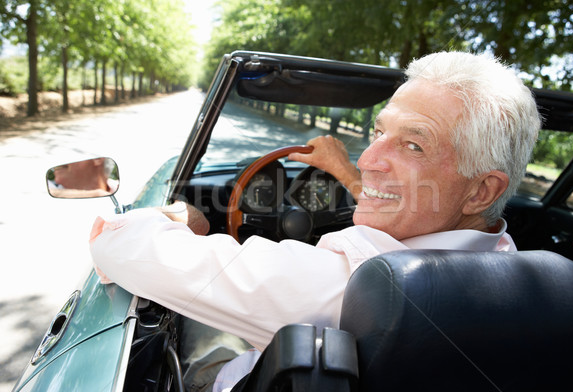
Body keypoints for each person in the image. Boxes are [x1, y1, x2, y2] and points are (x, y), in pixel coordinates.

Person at [90, 51, 541, 391]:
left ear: (483, 190)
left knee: (201, 333)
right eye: (380, 132)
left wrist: (188, 218)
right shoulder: (523, 275)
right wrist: (344, 173)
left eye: (413, 146)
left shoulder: (350, 283)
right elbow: (424, 207)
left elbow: (120, 245)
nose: (367, 160)